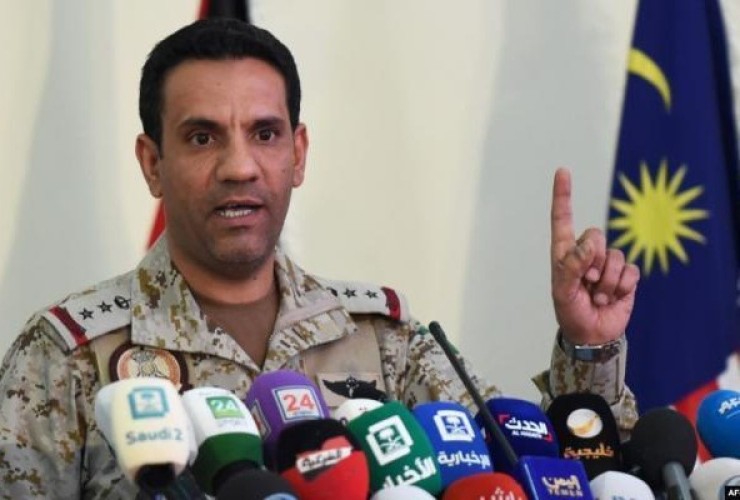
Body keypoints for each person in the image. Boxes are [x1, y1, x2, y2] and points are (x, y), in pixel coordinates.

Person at [0, 18, 640, 498]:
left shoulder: (387, 340)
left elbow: (528, 474)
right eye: (202, 137)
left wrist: (588, 349)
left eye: (265, 133)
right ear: (152, 163)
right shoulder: (68, 355)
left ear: (298, 153)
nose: (239, 166)